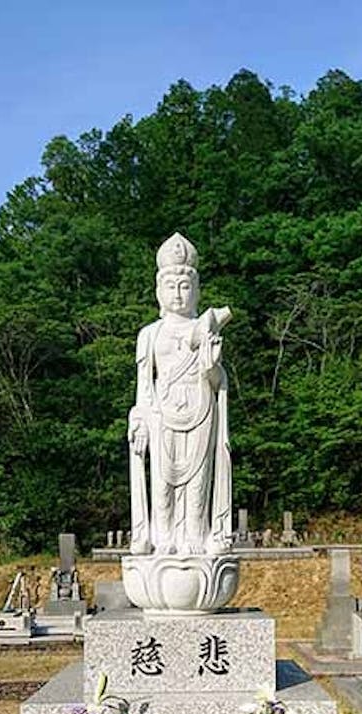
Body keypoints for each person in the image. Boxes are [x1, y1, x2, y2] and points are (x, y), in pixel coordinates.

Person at [128, 233, 232, 557]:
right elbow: (144, 385)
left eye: (185, 286)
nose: (177, 293)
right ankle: (163, 538)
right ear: (159, 290)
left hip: (201, 408)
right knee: (162, 483)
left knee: (197, 482)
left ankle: (194, 538)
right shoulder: (149, 334)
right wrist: (140, 419)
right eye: (170, 286)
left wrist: (212, 365)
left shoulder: (204, 329)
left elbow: (216, 381)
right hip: (161, 414)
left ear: (197, 290)